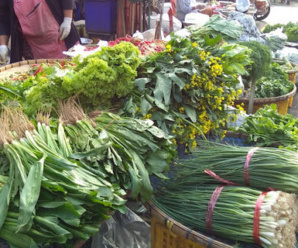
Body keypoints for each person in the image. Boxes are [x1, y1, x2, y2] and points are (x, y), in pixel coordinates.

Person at [0, 0, 80, 64]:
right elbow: (4, 17)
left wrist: (67, 19)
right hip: (32, 47)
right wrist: (3, 45)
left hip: (59, 37)